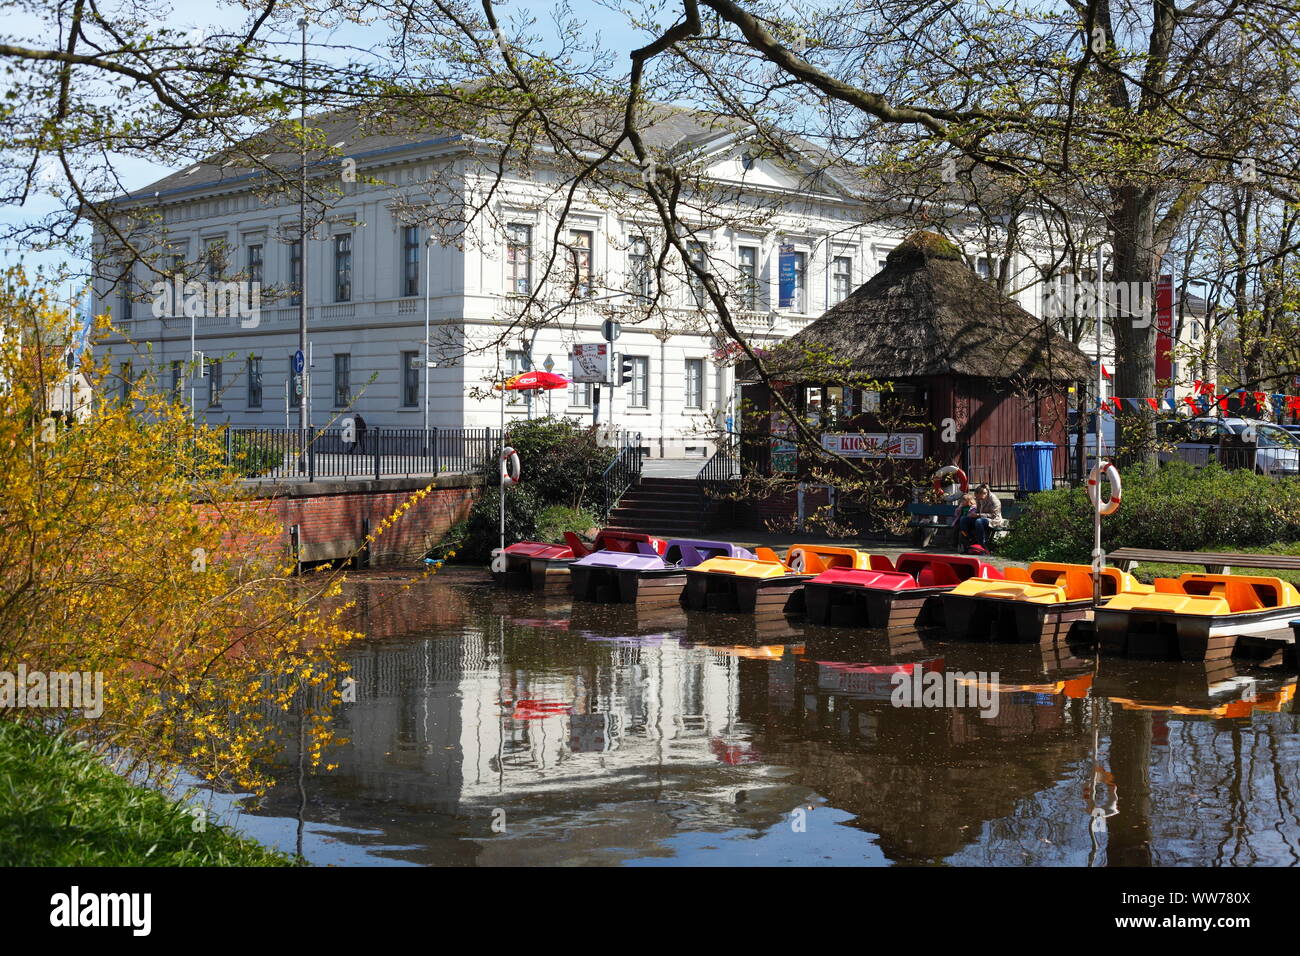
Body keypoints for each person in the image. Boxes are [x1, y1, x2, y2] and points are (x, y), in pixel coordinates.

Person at [958, 483, 1002, 553]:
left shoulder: (994, 500)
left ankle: (982, 545)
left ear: (982, 494)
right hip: (980, 517)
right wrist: (971, 513)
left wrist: (978, 514)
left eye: (977, 497)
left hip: (993, 520)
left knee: (979, 521)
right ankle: (967, 541)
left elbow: (994, 515)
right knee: (963, 519)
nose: (976, 499)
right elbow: (975, 507)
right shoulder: (979, 499)